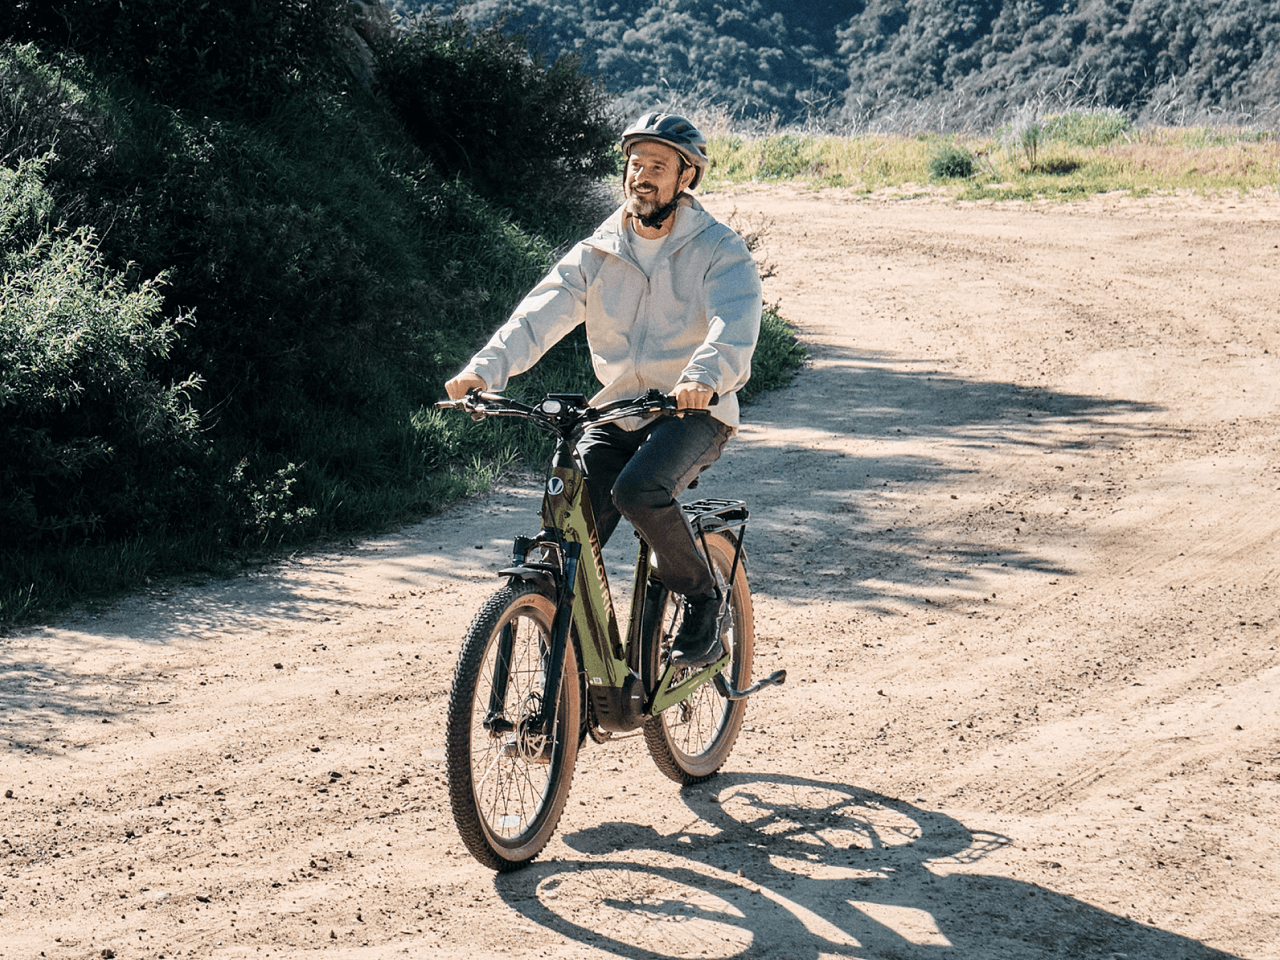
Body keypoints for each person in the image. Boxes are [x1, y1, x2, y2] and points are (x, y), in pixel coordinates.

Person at [445, 112, 762, 667]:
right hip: (617, 410)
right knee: (564, 530)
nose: (641, 176)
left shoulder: (719, 249)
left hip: (694, 411)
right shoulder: (600, 249)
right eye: (635, 164)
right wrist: (485, 369)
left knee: (638, 491)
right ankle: (567, 666)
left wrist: (703, 377)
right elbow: (537, 315)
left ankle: (704, 596)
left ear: (686, 178)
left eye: (657, 166)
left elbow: (733, 323)